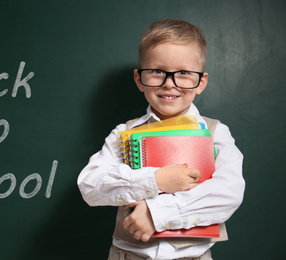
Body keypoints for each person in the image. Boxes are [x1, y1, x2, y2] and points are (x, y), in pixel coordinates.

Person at [77, 19, 245, 260]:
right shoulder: (122, 133)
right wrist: (155, 180)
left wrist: (156, 213)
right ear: (139, 79)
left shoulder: (216, 133)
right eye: (157, 71)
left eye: (184, 73)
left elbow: (228, 193)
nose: (169, 83)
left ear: (201, 82)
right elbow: (90, 186)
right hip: (128, 254)